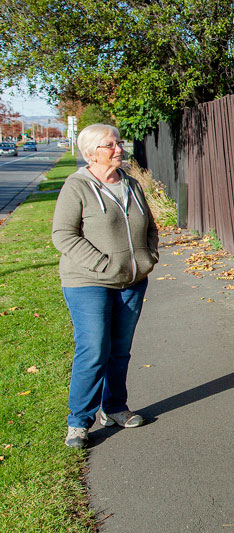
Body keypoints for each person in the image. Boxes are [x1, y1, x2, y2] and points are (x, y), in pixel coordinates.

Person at [52, 124, 159, 448]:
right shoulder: (77, 186)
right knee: (94, 348)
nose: (118, 148)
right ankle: (79, 422)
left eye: (118, 143)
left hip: (132, 282)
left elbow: (150, 226)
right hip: (88, 281)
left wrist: (149, 257)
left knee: (120, 350)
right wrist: (104, 265)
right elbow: (63, 235)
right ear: (91, 153)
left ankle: (113, 408)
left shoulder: (130, 184)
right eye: (110, 145)